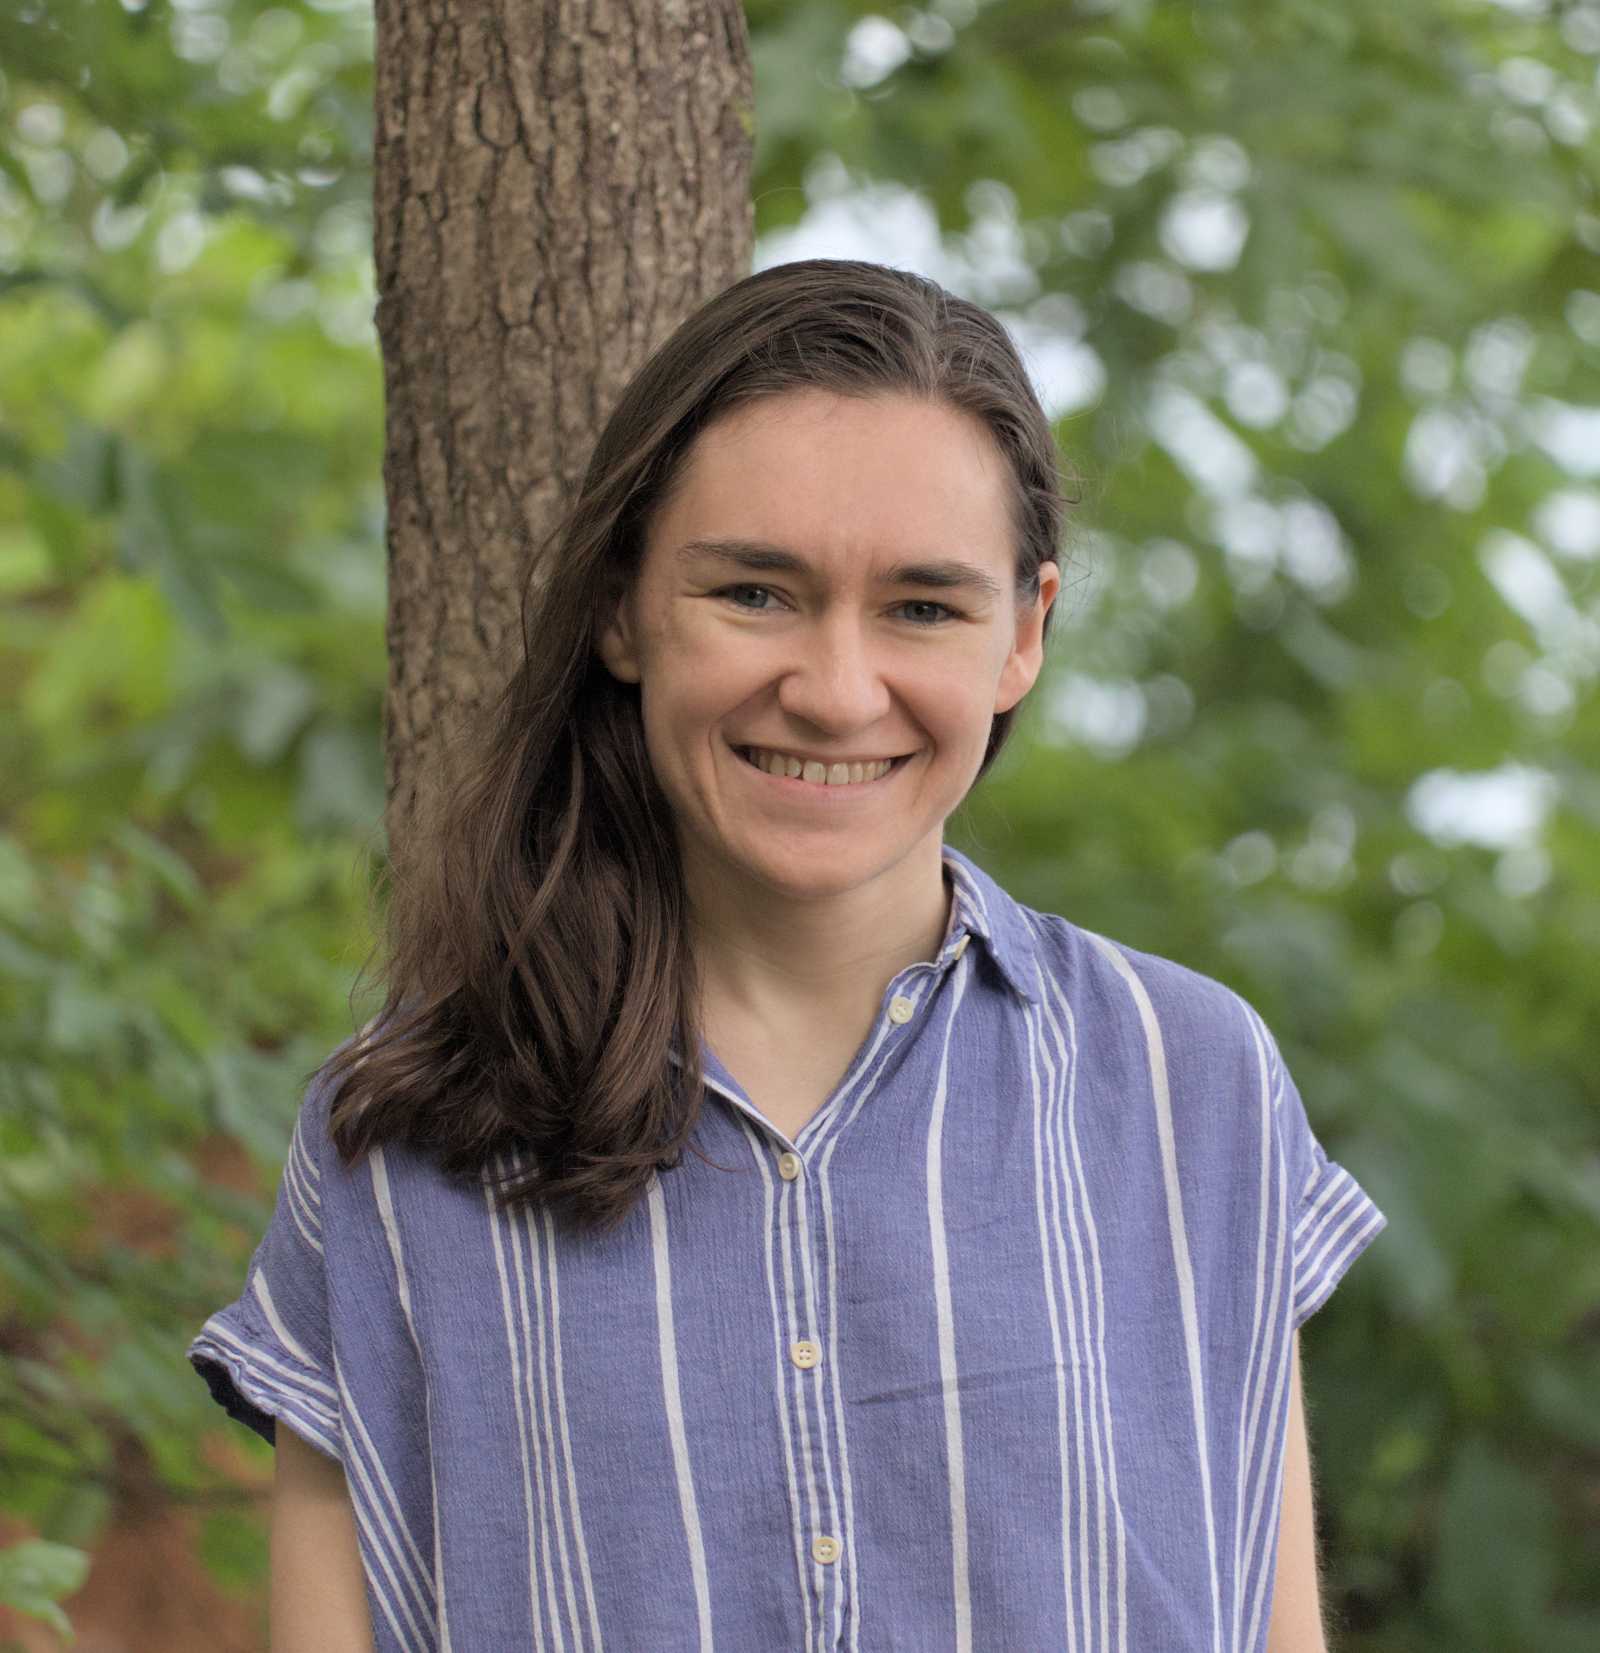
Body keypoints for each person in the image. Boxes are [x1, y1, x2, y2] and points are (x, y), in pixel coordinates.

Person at [192, 259, 1383, 1653]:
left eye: (924, 608)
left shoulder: (1192, 1081)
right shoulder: (402, 1140)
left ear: (1025, 635)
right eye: (756, 592)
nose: (833, 690)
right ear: (624, 609)